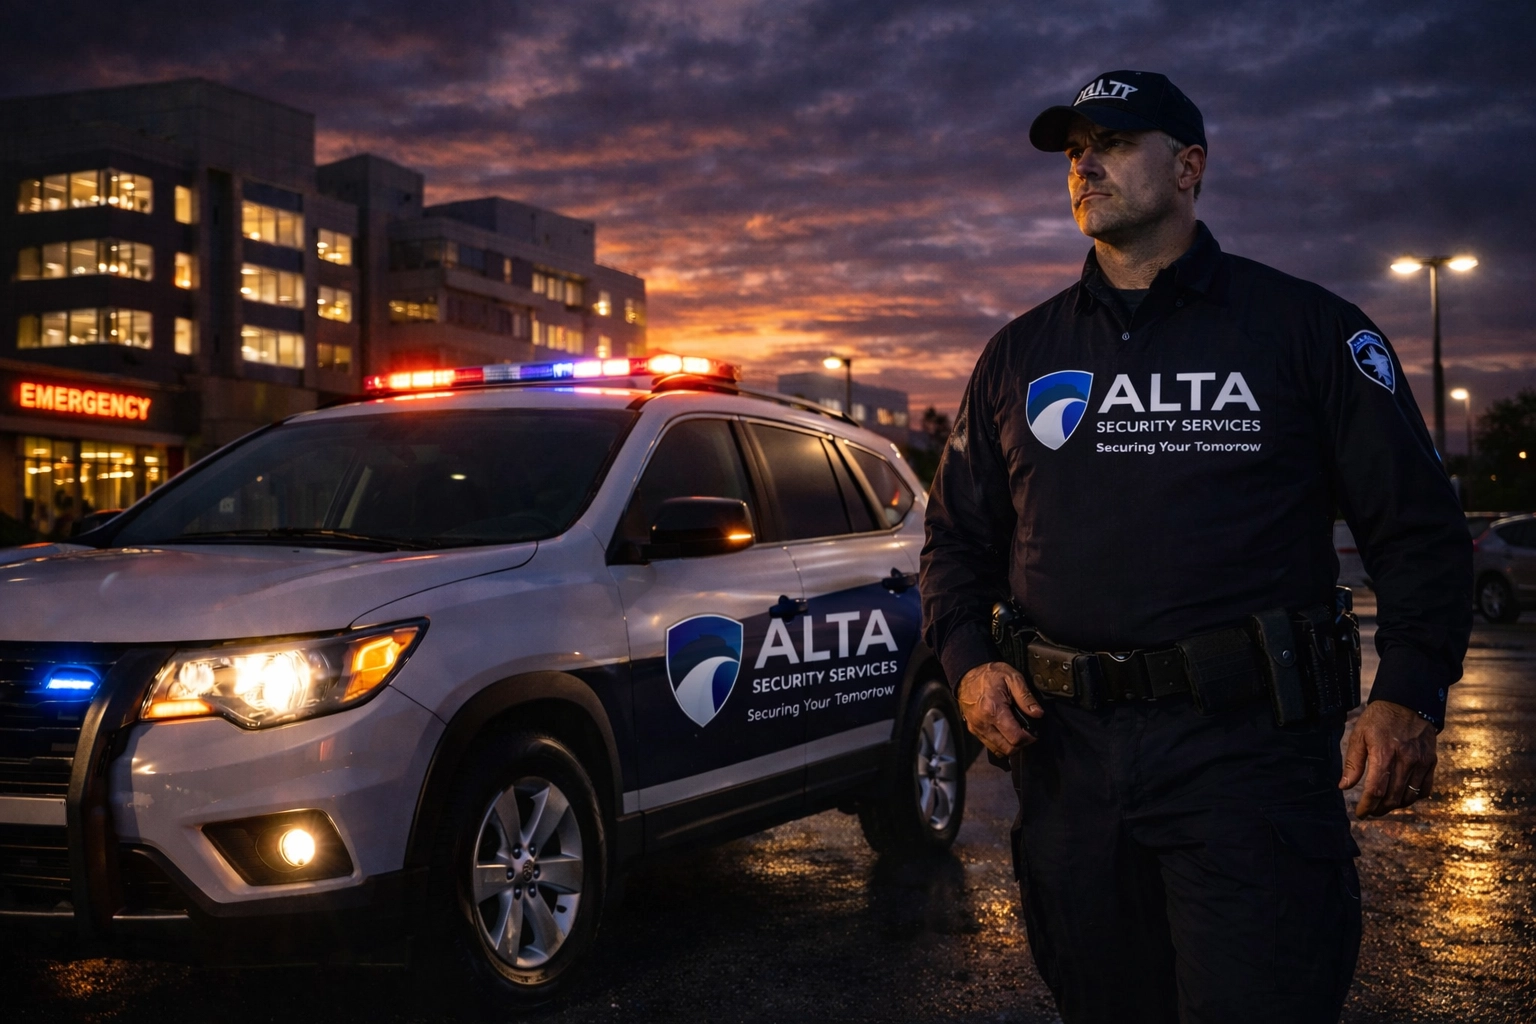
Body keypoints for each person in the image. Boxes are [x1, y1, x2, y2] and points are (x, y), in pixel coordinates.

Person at [919, 70, 1472, 1023]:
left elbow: (1420, 533)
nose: (1083, 163)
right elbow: (956, 542)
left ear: (1189, 166)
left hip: (1246, 762)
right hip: (1070, 764)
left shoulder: (1307, 331)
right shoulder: (1019, 354)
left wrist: (1408, 695)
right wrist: (968, 665)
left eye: (1113, 141)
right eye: (1072, 149)